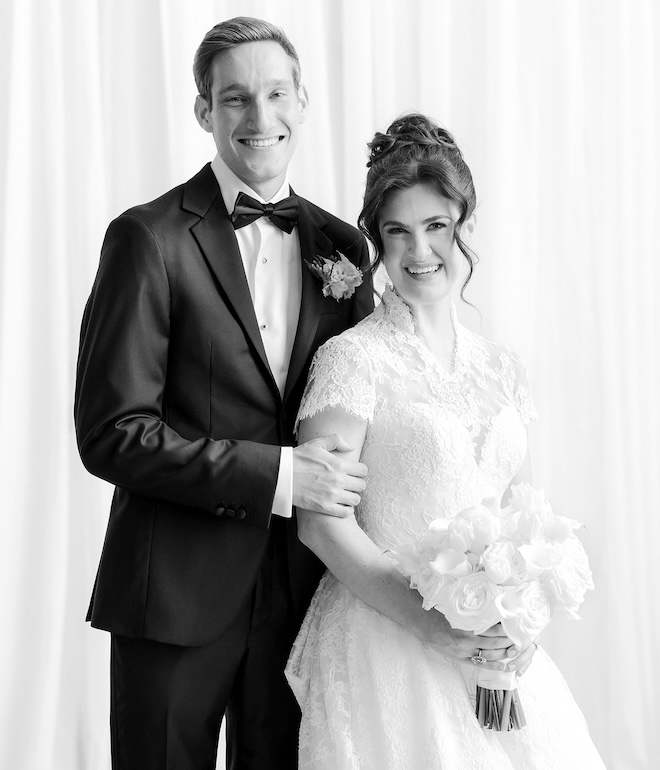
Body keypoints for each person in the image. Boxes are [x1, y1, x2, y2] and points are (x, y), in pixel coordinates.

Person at [74, 16, 373, 770]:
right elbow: (111, 431)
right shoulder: (148, 239)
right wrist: (274, 475)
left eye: (276, 93)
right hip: (172, 596)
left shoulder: (344, 248)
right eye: (235, 98)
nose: (259, 117)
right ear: (204, 111)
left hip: (306, 599)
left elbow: (370, 407)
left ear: (303, 101)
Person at [285, 113, 605, 768]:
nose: (419, 251)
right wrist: (433, 624)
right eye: (397, 231)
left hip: (495, 644)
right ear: (377, 239)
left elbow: (521, 514)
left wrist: (518, 614)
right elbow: (320, 524)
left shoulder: (503, 366)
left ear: (465, 224)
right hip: (388, 637)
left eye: (436, 226)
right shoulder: (352, 362)